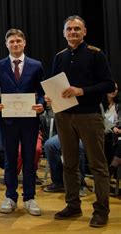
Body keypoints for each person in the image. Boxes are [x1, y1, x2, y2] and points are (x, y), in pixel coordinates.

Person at [46, 15, 115, 228]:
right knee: (70, 163)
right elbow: (55, 83)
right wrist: (50, 96)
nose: (73, 32)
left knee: (97, 165)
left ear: (84, 32)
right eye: (69, 29)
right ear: (64, 33)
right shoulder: (59, 57)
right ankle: (72, 204)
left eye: (77, 29)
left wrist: (81, 91)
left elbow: (109, 85)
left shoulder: (96, 54)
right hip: (64, 115)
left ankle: (101, 210)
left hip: (89, 115)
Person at [0, 28, 45, 216]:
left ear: (24, 43)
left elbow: (41, 91)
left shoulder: (36, 65)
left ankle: (29, 198)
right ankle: (10, 196)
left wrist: (41, 104)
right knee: (10, 160)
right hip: (8, 120)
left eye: (18, 41)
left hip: (30, 120)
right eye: (11, 42)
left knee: (30, 159)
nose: (15, 44)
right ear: (6, 44)